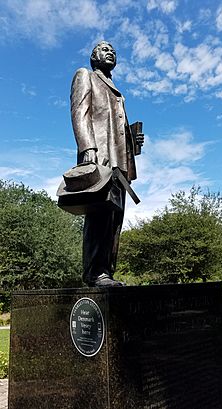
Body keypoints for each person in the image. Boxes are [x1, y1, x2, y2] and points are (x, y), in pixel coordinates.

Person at [71, 41, 144, 287]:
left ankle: (106, 273)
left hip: (120, 164)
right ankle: (94, 273)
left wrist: (134, 141)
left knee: (115, 219)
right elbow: (79, 113)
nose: (110, 51)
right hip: (99, 158)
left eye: (113, 50)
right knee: (100, 215)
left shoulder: (117, 91)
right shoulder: (86, 76)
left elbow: (117, 128)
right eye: (104, 49)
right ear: (93, 57)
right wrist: (87, 148)